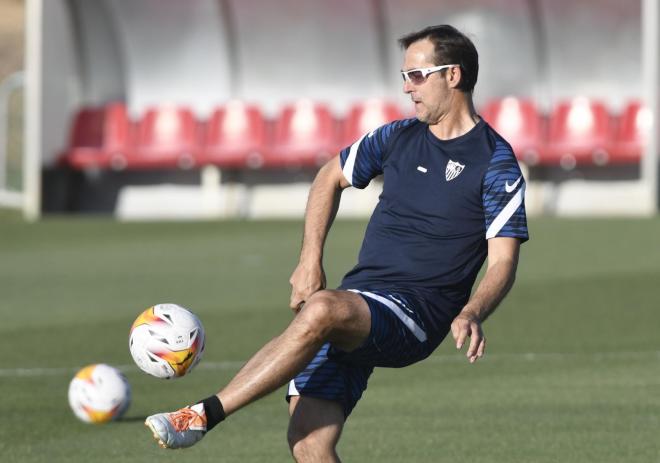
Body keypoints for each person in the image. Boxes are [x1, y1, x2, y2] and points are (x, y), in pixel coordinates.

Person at [145, 24, 528, 461]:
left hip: (415, 316)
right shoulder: (397, 136)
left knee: (323, 309)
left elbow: (503, 261)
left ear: (453, 76)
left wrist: (473, 311)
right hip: (359, 304)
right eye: (403, 77)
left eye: (417, 76)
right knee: (309, 444)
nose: (407, 88)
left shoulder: (495, 162)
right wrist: (309, 260)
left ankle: (203, 416)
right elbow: (330, 176)